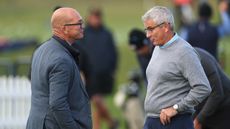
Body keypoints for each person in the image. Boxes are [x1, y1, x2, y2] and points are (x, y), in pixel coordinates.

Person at [142, 6, 211, 129]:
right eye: (146, 30)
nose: (147, 35)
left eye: (151, 29)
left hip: (174, 122)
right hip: (152, 121)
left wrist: (176, 108)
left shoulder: (184, 52)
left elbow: (203, 87)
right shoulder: (157, 48)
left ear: (166, 27)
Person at [26, 7, 92, 129]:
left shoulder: (41, 49)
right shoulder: (61, 59)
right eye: (79, 23)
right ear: (64, 28)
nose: (83, 26)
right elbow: (57, 104)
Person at [73, 8, 118, 129]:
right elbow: (80, 52)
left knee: (97, 100)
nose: (96, 20)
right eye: (94, 17)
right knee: (96, 99)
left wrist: (113, 68)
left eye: (98, 17)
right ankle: (111, 121)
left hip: (105, 71)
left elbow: (113, 52)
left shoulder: (107, 33)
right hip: (90, 72)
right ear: (89, 18)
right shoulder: (84, 33)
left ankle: (99, 125)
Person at [193, 47, 230, 129]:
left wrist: (199, 119)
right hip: (205, 107)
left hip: (223, 107)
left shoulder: (200, 60)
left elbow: (217, 94)